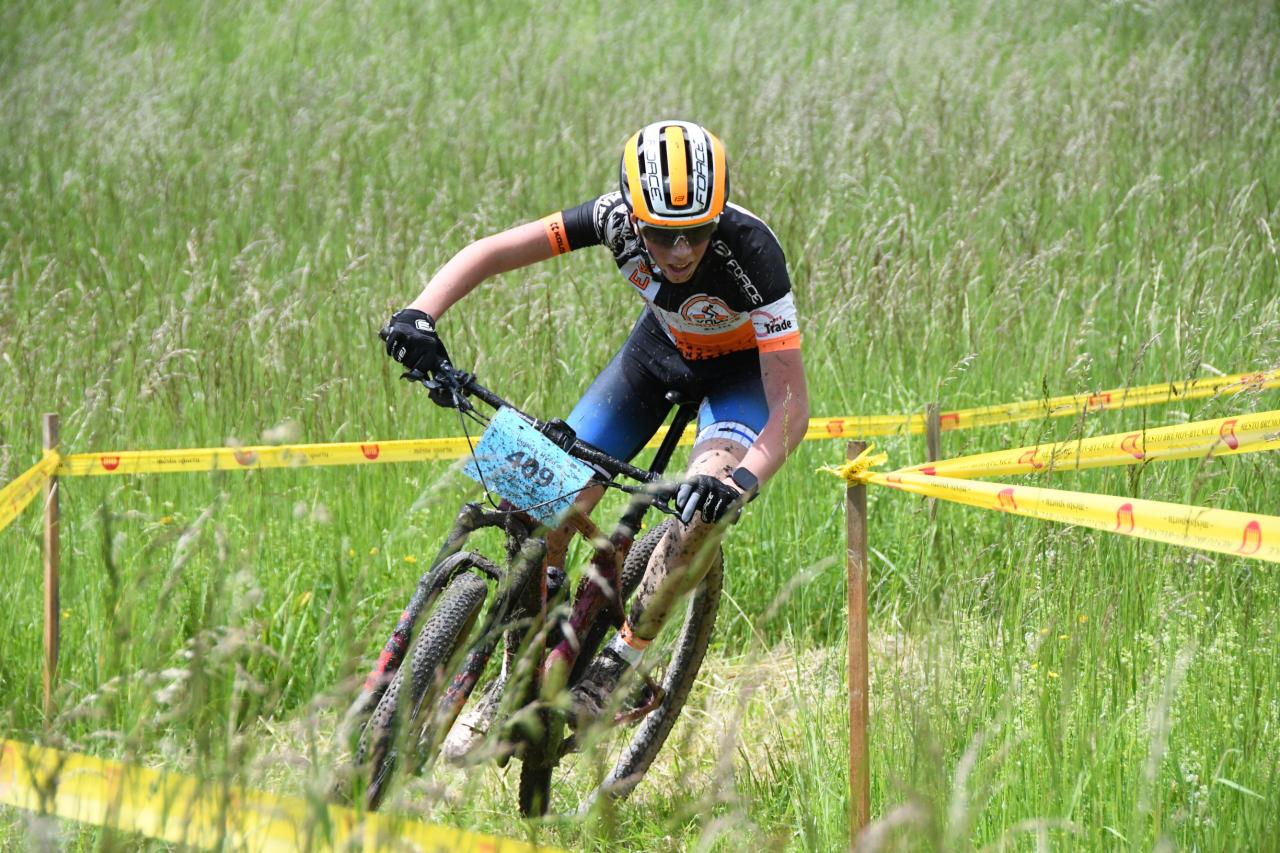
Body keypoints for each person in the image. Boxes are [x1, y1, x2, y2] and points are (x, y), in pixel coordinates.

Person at [381, 120, 809, 741]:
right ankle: (524, 655)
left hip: (738, 378)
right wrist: (419, 314)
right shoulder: (611, 219)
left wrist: (739, 482)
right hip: (654, 358)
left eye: (696, 232)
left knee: (699, 513)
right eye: (662, 234)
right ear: (634, 219)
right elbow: (493, 252)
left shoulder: (753, 252)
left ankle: (619, 664)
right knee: (531, 495)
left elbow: (791, 405)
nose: (681, 251)